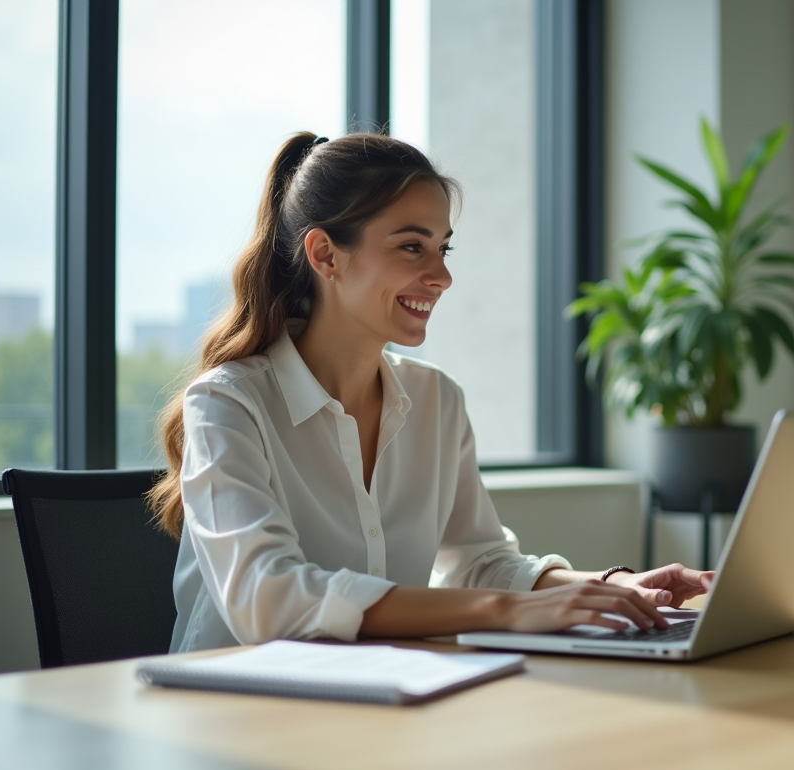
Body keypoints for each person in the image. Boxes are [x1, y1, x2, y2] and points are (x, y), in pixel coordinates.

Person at [148, 131, 713, 653]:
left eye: (444, 248)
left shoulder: (436, 399)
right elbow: (267, 600)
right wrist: (510, 612)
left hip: (376, 699)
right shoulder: (227, 404)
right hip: (227, 716)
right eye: (412, 247)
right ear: (324, 255)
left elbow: (481, 561)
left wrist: (603, 588)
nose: (441, 276)